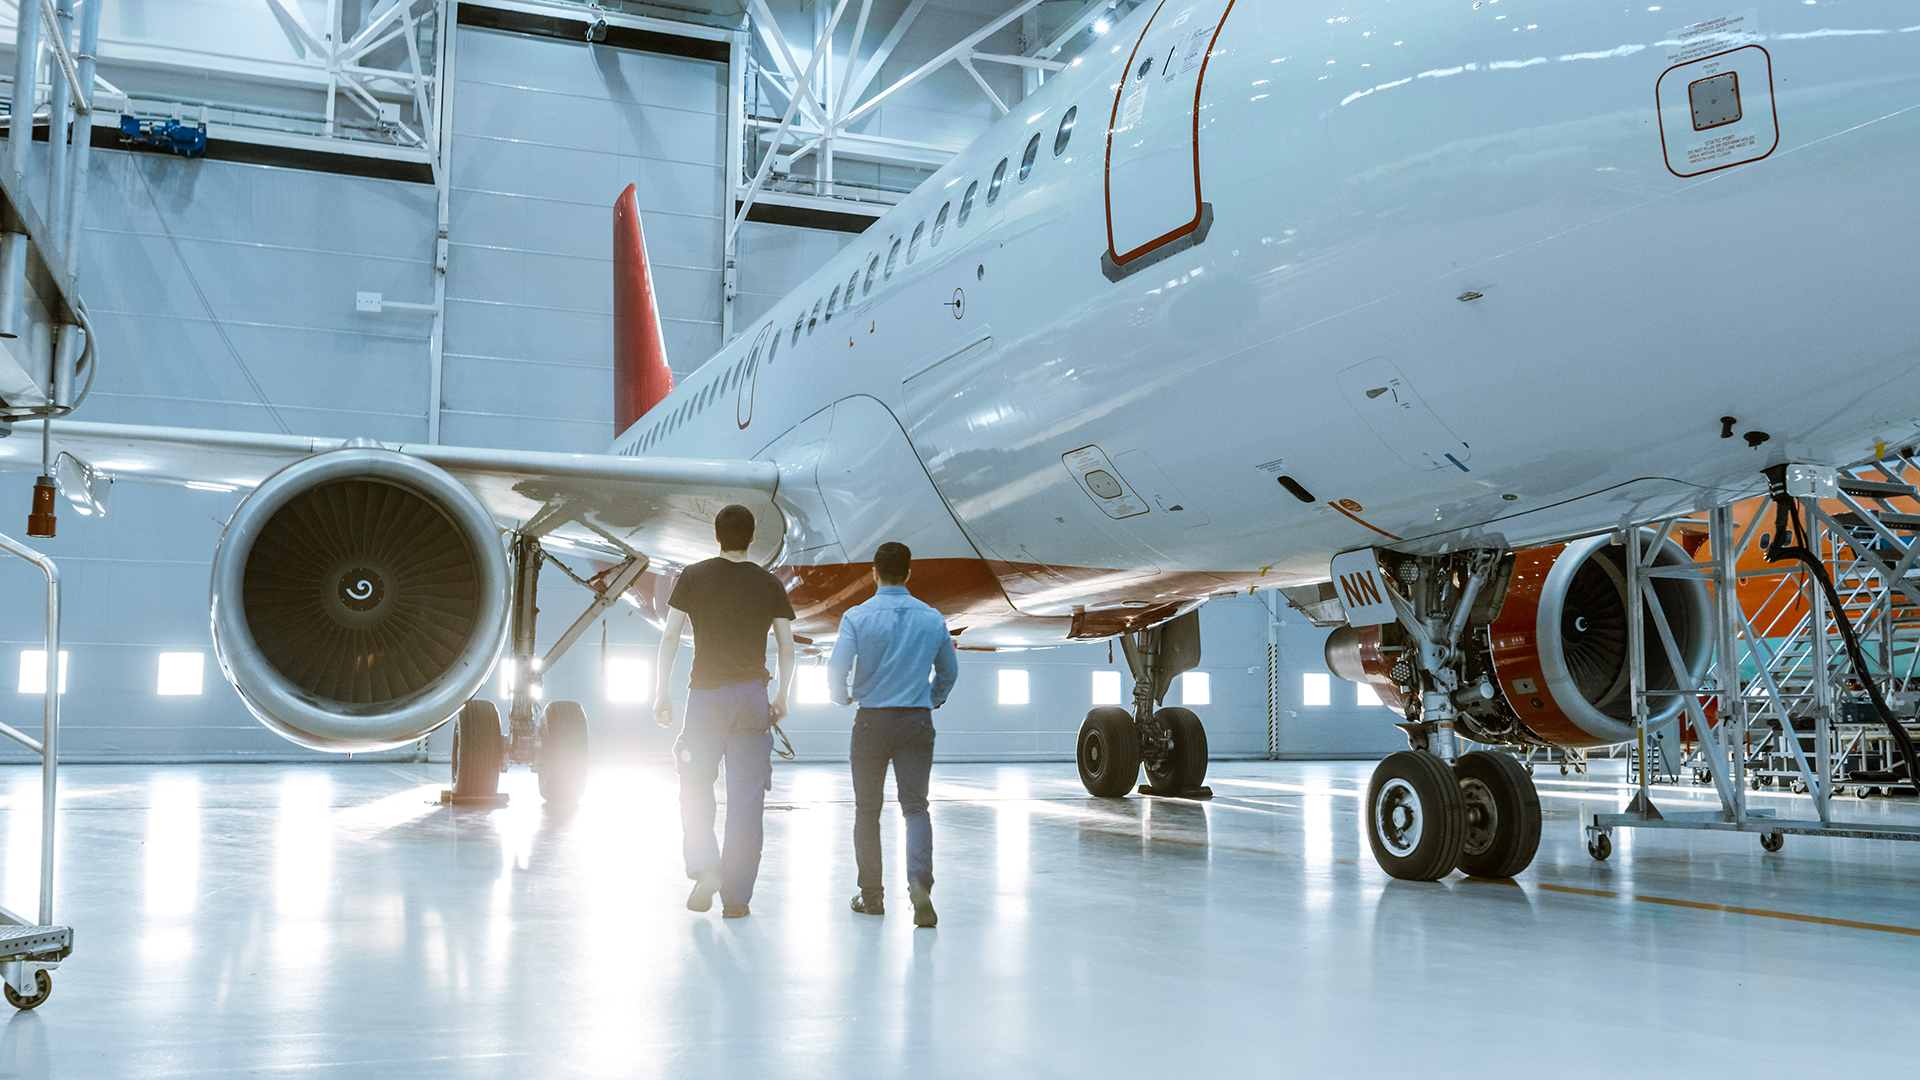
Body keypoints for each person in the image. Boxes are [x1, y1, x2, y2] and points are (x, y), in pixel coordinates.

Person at [654, 504, 796, 919]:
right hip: (752, 697)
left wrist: (661, 692)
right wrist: (783, 695)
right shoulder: (769, 583)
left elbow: (670, 637)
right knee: (747, 802)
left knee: (694, 784)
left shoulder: (694, 576)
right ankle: (737, 900)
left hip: (706, 697)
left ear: (716, 537)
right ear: (752, 538)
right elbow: (787, 647)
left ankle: (703, 866)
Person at [827, 541, 958, 928]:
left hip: (871, 724)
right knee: (915, 807)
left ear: (874, 572)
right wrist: (930, 700)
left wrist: (841, 697)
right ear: (909, 572)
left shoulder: (856, 616)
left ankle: (871, 898)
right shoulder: (932, 618)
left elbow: (836, 669)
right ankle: (919, 885)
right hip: (916, 722)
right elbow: (949, 672)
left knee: (867, 811)